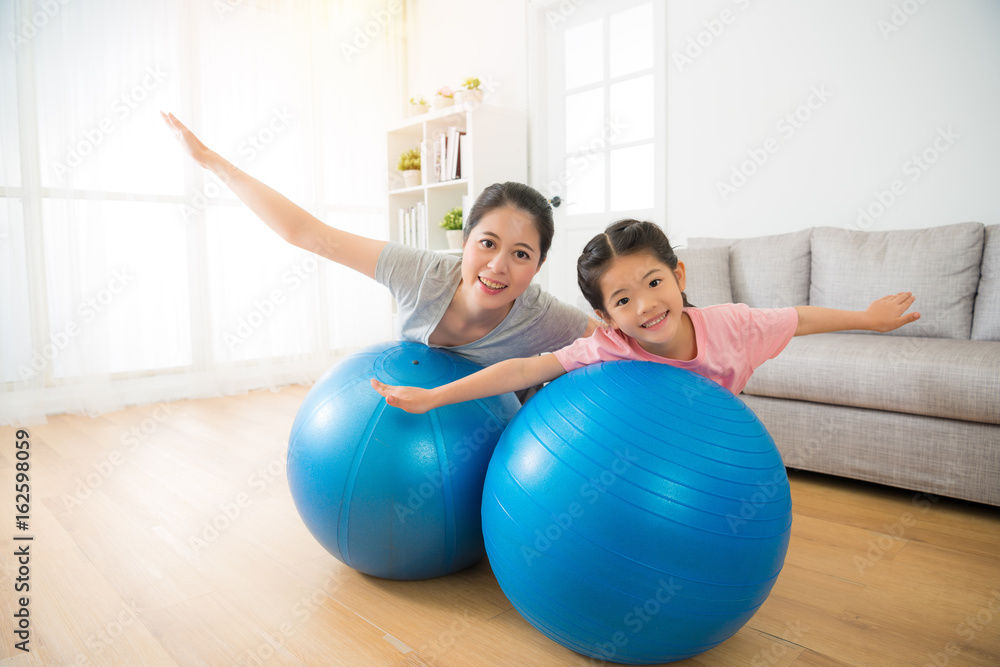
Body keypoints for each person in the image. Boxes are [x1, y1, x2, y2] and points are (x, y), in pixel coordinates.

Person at [160, 112, 598, 371]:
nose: (498, 265)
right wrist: (212, 162)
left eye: (521, 254)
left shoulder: (541, 315)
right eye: (487, 243)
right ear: (463, 242)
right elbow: (309, 234)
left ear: (538, 266)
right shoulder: (421, 273)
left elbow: (617, 338)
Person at [370, 218, 920, 413]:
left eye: (654, 283)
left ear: (678, 277)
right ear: (605, 317)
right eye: (623, 300)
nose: (646, 306)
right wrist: (434, 396)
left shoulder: (731, 325)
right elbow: (521, 371)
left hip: (710, 435)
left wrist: (868, 319)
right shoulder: (608, 347)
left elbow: (796, 317)